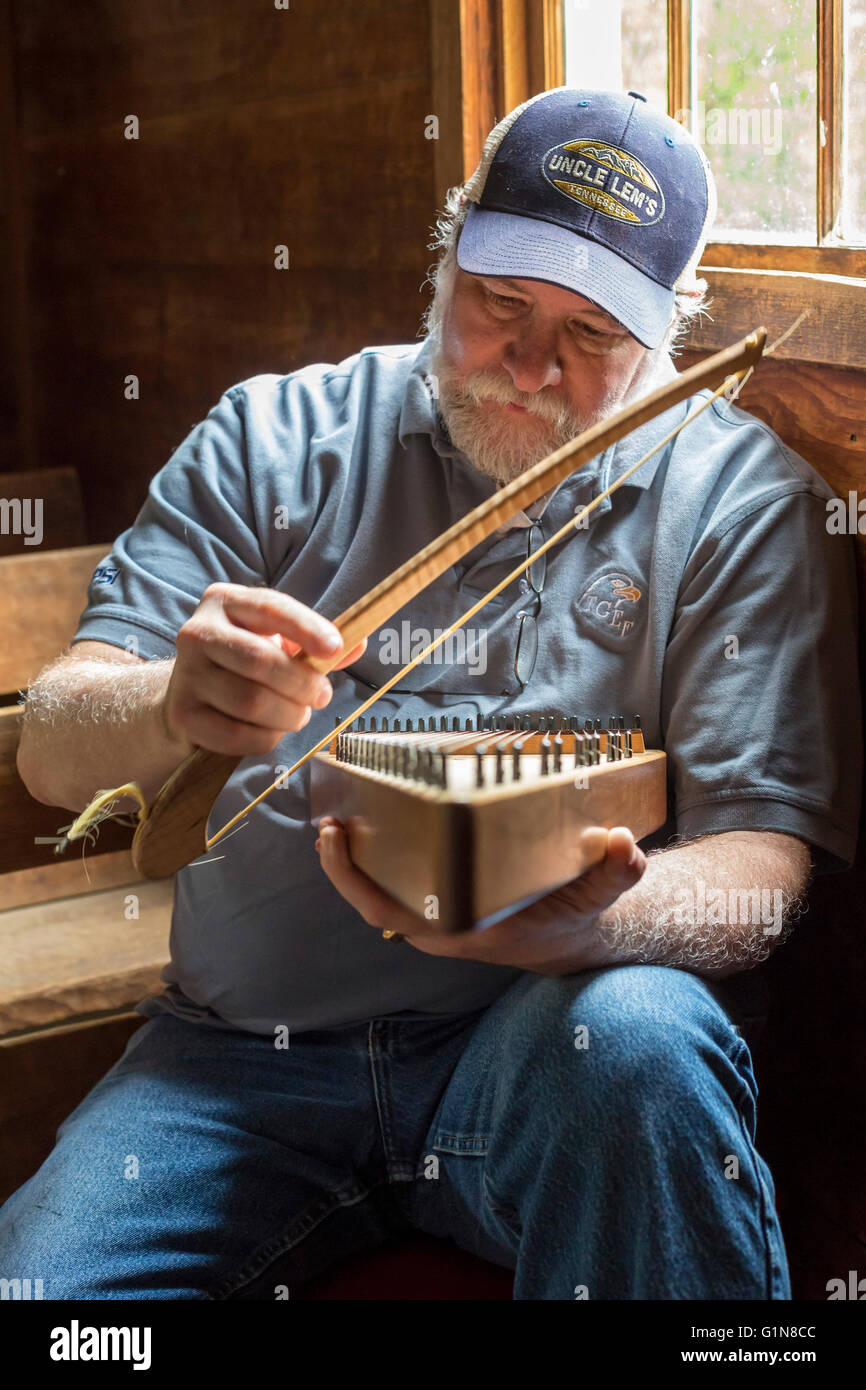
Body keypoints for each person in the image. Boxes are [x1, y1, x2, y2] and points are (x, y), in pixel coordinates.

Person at [1, 88, 859, 1300]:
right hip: (240, 1063)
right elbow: (50, 746)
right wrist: (162, 702)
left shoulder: (735, 502)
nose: (529, 364)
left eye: (593, 332)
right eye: (499, 303)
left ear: (666, 333)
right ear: (445, 256)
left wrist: (592, 928)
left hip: (536, 1042)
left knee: (639, 1041)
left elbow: (763, 870)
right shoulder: (271, 439)